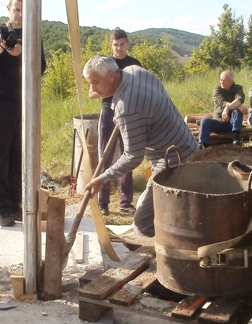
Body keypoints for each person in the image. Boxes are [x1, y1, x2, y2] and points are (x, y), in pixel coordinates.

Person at [83, 57, 196, 237]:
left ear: (111, 76)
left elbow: (133, 156)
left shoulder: (127, 108)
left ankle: (162, 260)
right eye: (90, 83)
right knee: (151, 204)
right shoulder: (135, 71)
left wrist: (102, 178)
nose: (93, 89)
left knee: (143, 223)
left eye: (95, 82)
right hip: (187, 145)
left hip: (173, 162)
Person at [0, 0, 45, 227]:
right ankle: (1, 206)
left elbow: (41, 68)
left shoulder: (31, 35)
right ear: (8, 9)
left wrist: (24, 52)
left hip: (25, 102)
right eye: (16, 9)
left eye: (23, 10)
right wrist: (0, 49)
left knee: (20, 154)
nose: (19, 15)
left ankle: (17, 204)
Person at [94, 28, 141, 216]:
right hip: (108, 112)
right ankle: (103, 202)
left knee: (127, 156)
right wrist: (109, 91)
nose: (119, 48)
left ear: (127, 44)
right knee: (105, 156)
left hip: (128, 113)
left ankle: (125, 203)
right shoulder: (105, 64)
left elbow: (139, 88)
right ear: (110, 45)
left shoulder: (134, 64)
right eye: (116, 45)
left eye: (122, 44)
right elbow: (93, 91)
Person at [198, 70, 246, 148]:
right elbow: (220, 101)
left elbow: (240, 99)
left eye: (225, 80)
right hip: (219, 122)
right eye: (221, 79)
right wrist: (236, 106)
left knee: (237, 112)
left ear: (231, 81)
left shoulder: (238, 88)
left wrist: (228, 108)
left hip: (232, 123)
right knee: (204, 121)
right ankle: (203, 145)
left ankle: (236, 138)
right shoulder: (217, 89)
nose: (222, 82)